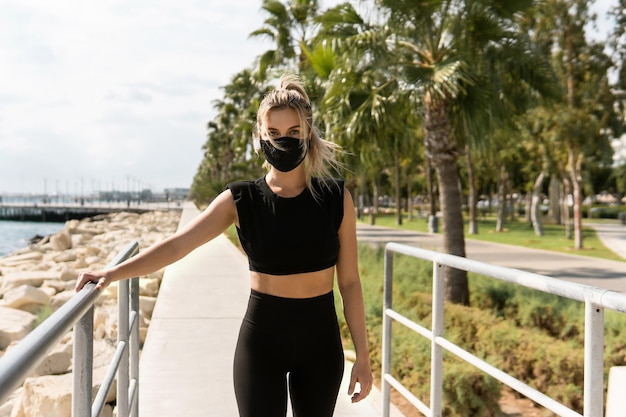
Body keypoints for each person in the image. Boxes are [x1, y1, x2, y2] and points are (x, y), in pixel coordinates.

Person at [75, 73, 373, 417]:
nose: (283, 141)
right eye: (274, 133)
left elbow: (349, 283)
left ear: (308, 134)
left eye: (293, 132)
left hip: (320, 344)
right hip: (261, 344)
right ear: (259, 136)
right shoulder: (241, 199)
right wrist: (112, 273)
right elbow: (177, 246)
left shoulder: (336, 198)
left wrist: (363, 359)